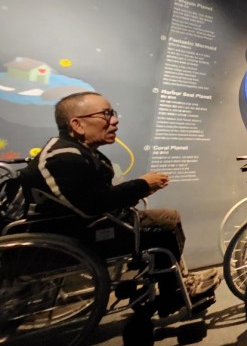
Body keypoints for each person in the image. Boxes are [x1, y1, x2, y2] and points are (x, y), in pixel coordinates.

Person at [21, 91, 219, 314]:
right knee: (164, 227)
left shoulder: (74, 152)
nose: (114, 121)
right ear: (77, 124)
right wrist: (141, 185)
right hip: (78, 235)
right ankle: (172, 295)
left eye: (112, 113)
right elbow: (94, 204)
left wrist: (143, 187)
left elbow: (96, 196)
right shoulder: (64, 158)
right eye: (106, 114)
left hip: (83, 226)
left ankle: (175, 282)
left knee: (169, 216)